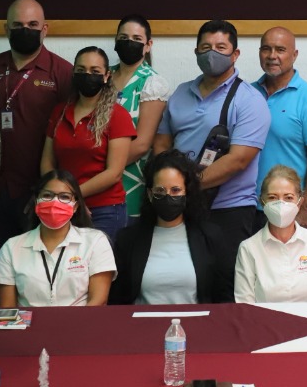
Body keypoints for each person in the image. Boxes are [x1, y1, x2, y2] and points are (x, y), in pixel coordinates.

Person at [0, 0, 74, 262]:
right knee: (1, 263)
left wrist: (55, 186)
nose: (25, 30)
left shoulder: (62, 71)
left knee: (39, 264)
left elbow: (73, 131)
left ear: (45, 29)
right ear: (6, 29)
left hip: (41, 190)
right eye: (17, 25)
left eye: (32, 24)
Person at [154, 20, 269, 246]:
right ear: (196, 52)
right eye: (205, 48)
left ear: (235, 54)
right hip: (178, 206)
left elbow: (238, 160)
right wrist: (172, 189)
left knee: (223, 269)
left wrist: (185, 187)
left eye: (220, 47)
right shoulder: (181, 92)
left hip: (227, 210)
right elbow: (161, 143)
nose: (211, 54)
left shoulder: (250, 100)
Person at [109, 150, 234, 304]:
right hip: (142, 318)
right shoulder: (128, 239)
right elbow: (117, 300)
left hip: (196, 319)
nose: (168, 196)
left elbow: (224, 296)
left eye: (175, 190)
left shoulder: (210, 236)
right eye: (160, 191)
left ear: (187, 192)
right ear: (150, 194)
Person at [41, 46, 137, 241]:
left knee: (97, 261)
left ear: (107, 76)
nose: (87, 75)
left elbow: (114, 172)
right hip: (61, 207)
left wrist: (71, 195)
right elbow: (47, 162)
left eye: (95, 71)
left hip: (104, 210)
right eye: (81, 70)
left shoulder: (118, 115)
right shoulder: (59, 112)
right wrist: (63, 197)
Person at [0, 170, 117, 307]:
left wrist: (73, 321)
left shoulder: (95, 241)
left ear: (75, 206)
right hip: (29, 321)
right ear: (36, 201)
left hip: (82, 319)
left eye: (64, 197)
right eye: (47, 195)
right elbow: (7, 309)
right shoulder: (11, 247)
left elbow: (99, 301)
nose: (55, 202)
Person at [252, 26, 307, 230]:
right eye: (266, 49)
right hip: (248, 206)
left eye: (280, 49)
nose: (272, 56)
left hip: (290, 208)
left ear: (294, 55)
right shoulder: (247, 94)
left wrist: (306, 208)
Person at [234, 165, 307, 303]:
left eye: (288, 197)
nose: (280, 204)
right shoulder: (249, 248)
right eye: (272, 197)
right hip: (265, 318)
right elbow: (244, 305)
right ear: (262, 202)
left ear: (299, 202)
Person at [109, 14, 171, 221]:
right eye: (123, 38)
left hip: (129, 179)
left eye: (137, 39)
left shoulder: (152, 83)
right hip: (91, 177)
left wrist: (102, 171)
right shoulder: (103, 76)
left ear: (148, 45)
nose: (129, 43)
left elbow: (142, 144)